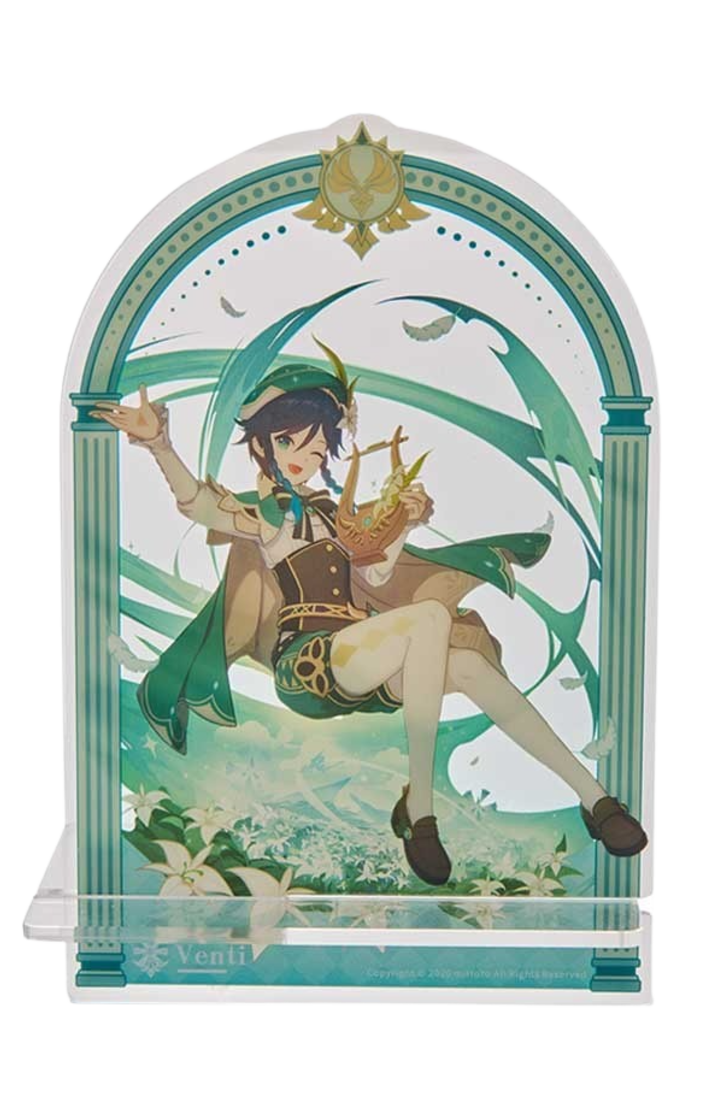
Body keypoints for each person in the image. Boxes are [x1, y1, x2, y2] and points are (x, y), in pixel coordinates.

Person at [92, 341, 646, 885]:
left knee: (472, 668)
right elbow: (198, 503)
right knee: (431, 619)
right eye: (288, 441)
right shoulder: (266, 520)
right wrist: (160, 445)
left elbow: (377, 579)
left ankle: (595, 800)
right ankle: (420, 810)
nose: (303, 458)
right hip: (307, 665)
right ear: (261, 443)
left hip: (365, 658)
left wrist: (406, 524)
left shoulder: (334, 517)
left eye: (316, 451)